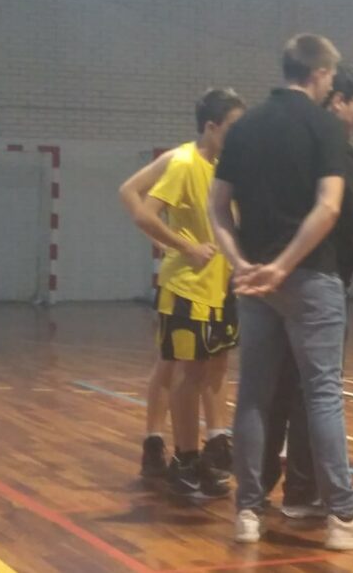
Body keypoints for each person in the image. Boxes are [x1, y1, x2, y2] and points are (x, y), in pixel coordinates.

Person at [210, 33, 353, 550]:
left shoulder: (244, 126)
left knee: (254, 394)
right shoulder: (324, 126)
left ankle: (248, 511)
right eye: (332, 76)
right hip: (310, 276)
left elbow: (217, 206)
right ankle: (343, 516)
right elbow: (330, 208)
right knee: (322, 395)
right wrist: (285, 265)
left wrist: (244, 264)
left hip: (254, 280)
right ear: (320, 73)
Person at [263, 63, 353, 519]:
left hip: (269, 278)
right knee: (319, 394)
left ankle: (256, 493)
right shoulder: (333, 150)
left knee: (273, 391)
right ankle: (317, 496)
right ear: (336, 99)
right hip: (315, 280)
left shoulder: (273, 139)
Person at [119, 88, 245, 499]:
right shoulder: (183, 161)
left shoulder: (224, 167)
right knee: (179, 371)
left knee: (212, 369)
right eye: (234, 127)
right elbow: (140, 208)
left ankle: (211, 444)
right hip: (187, 286)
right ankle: (181, 455)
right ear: (211, 126)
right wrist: (181, 245)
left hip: (220, 286)